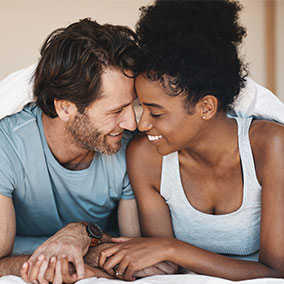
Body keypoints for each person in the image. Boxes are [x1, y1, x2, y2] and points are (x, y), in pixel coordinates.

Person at [97, 0, 284, 281]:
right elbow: (163, 268)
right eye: (141, 107)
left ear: (206, 107)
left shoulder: (270, 147)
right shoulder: (145, 157)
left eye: (156, 112)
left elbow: (276, 271)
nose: (142, 124)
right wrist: (166, 252)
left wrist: (171, 248)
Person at [0, 18, 142, 282]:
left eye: (131, 105)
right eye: (116, 111)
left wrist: (82, 233)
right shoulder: (7, 146)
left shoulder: (129, 148)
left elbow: (136, 256)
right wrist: (73, 260)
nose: (132, 123)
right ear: (66, 108)